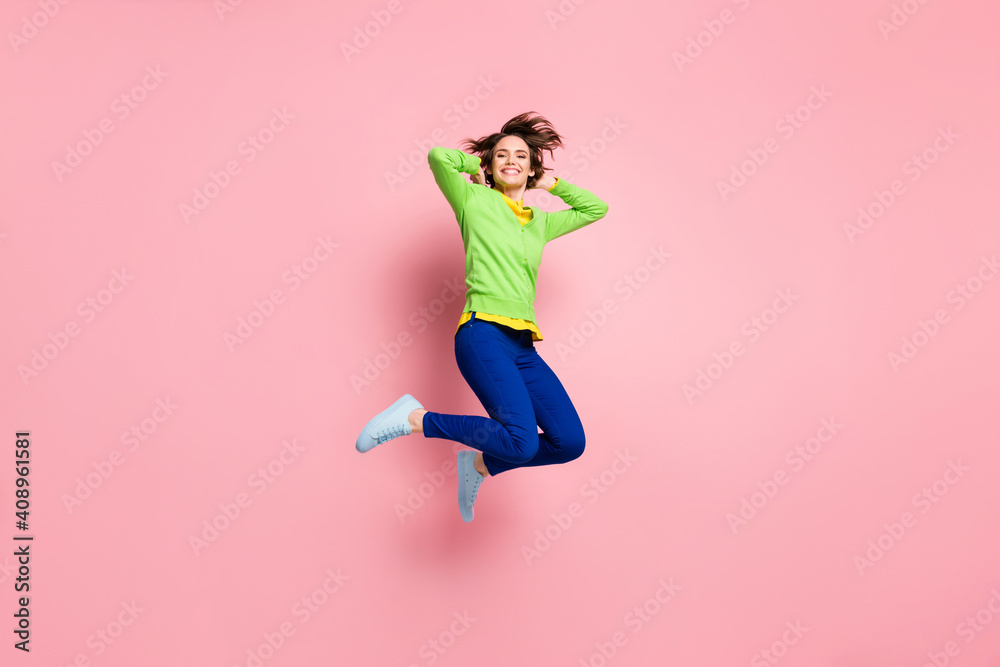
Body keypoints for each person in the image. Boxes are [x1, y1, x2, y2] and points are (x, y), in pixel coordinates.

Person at [356, 111, 609, 522]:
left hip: (522, 346)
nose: (512, 160)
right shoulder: (473, 200)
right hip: (482, 334)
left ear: (532, 167)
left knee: (569, 444)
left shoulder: (540, 223)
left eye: (522, 156)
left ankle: (479, 465)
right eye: (502, 155)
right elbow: (439, 157)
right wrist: (477, 166)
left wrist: (553, 184)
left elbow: (596, 208)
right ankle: (413, 418)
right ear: (490, 166)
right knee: (522, 443)